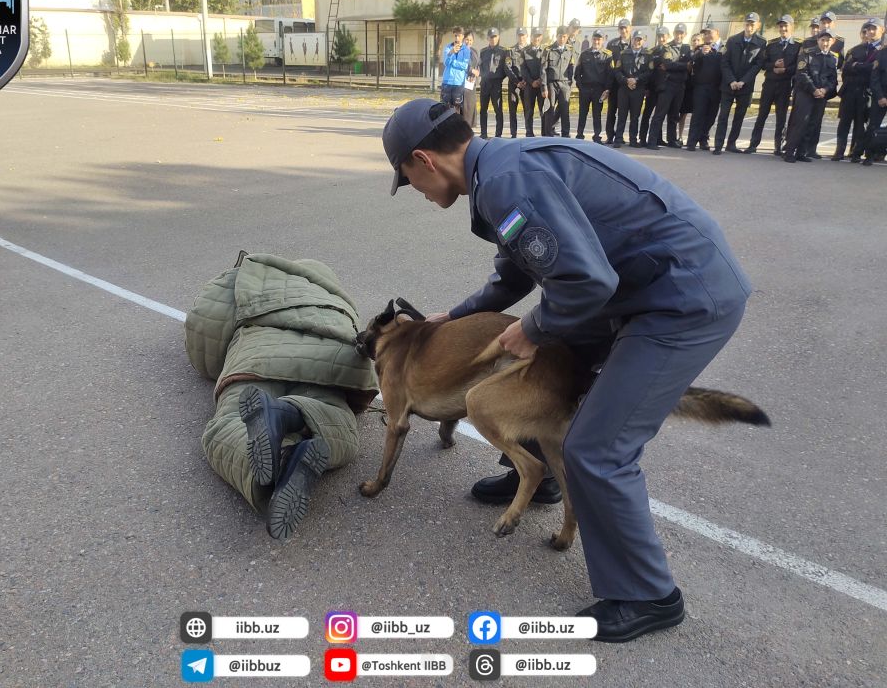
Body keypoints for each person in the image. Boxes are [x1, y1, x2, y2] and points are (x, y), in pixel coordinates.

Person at [380, 97, 752, 643]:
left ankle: (649, 595)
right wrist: (453, 317)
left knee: (598, 446)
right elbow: (514, 275)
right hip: (643, 288)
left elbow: (587, 281)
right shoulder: (496, 173)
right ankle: (541, 477)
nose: (411, 188)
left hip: (682, 299)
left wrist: (532, 328)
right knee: (551, 369)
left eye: (406, 178)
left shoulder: (506, 181)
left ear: (423, 159)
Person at [186, 253, 378, 540]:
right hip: (325, 359)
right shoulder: (333, 294)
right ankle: (289, 418)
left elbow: (205, 336)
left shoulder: (240, 282)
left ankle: (275, 465)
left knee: (226, 424)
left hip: (256, 355)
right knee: (340, 424)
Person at [745, 15, 801, 156]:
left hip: (784, 85)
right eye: (781, 26)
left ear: (792, 27)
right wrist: (773, 66)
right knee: (762, 115)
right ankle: (753, 144)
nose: (783, 29)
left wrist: (785, 70)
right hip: (769, 83)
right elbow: (763, 63)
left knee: (781, 117)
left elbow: (799, 66)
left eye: (785, 26)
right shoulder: (771, 45)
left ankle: (778, 146)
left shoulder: (798, 46)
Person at [713, 12, 766, 154]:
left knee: (739, 117)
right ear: (744, 24)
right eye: (747, 24)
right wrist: (731, 80)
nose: (749, 27)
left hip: (745, 86)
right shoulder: (732, 40)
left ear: (758, 25)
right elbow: (725, 62)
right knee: (723, 116)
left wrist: (743, 81)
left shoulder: (761, 43)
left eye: (752, 24)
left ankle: (731, 144)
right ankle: (718, 145)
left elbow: (757, 65)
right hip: (728, 85)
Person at [783, 29, 839, 163]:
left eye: (828, 40)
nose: (825, 43)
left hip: (821, 96)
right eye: (823, 40)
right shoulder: (807, 53)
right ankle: (789, 152)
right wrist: (813, 90)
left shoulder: (833, 58)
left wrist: (825, 90)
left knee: (812, 124)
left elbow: (833, 79)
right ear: (818, 40)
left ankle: (801, 152)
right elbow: (801, 74)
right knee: (800, 123)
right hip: (805, 94)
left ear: (833, 42)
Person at [800, 12, 847, 159]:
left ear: (834, 24)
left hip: (824, 87)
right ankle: (798, 148)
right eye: (823, 22)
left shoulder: (839, 42)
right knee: (803, 120)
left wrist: (825, 89)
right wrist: (813, 88)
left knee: (817, 120)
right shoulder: (808, 42)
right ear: (819, 24)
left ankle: (812, 149)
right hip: (808, 88)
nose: (826, 25)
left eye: (829, 22)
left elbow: (839, 63)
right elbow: (801, 67)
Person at [832, 20, 880, 161]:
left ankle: (856, 152)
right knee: (844, 123)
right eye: (865, 31)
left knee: (860, 124)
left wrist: (856, 66)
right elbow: (846, 69)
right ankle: (839, 151)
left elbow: (874, 70)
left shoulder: (880, 51)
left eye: (871, 30)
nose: (867, 33)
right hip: (850, 91)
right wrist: (863, 66)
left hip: (865, 92)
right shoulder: (854, 50)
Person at [647, 28, 692, 149]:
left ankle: (672, 140)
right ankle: (652, 141)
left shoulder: (687, 48)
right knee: (660, 114)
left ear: (685, 34)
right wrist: (684, 65)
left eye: (681, 33)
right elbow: (667, 64)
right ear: (674, 34)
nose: (679, 35)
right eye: (677, 33)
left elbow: (690, 64)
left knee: (674, 115)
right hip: (668, 85)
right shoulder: (667, 47)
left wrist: (677, 66)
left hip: (680, 85)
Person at [612, 28, 652, 147]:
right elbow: (617, 71)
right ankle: (618, 139)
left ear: (643, 41)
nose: (637, 42)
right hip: (624, 89)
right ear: (632, 40)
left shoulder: (647, 55)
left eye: (640, 40)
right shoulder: (623, 54)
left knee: (635, 116)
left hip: (638, 89)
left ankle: (633, 140)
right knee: (622, 115)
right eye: (635, 39)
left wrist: (636, 80)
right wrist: (626, 80)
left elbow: (649, 72)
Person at [574, 29, 613, 142]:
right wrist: (581, 87)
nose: (596, 42)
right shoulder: (584, 54)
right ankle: (579, 135)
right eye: (595, 39)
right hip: (585, 89)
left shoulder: (607, 55)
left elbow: (610, 74)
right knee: (582, 113)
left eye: (599, 39)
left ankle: (597, 137)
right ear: (592, 39)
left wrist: (607, 89)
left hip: (599, 90)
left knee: (597, 114)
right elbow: (577, 73)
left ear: (603, 40)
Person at [686, 36, 723, 151]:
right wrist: (701, 53)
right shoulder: (700, 49)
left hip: (716, 88)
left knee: (711, 116)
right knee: (698, 115)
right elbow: (692, 59)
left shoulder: (723, 48)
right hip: (701, 87)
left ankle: (703, 139)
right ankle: (691, 141)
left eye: (711, 34)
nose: (709, 36)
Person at [858, 20, 887, 166]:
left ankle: (882, 153)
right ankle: (869, 155)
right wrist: (880, 96)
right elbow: (874, 78)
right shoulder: (881, 53)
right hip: (880, 97)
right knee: (873, 126)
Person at [541, 25, 575, 137]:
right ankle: (548, 134)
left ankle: (565, 134)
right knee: (550, 109)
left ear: (567, 37)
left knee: (565, 109)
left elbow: (571, 67)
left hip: (565, 83)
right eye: (560, 36)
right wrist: (544, 87)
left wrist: (569, 83)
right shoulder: (548, 50)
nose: (562, 39)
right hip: (552, 83)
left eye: (564, 36)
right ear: (556, 36)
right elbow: (543, 69)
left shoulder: (570, 50)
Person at [639, 26, 671, 147]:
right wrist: (646, 88)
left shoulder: (670, 51)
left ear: (668, 36)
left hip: (664, 87)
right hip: (652, 88)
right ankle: (643, 138)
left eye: (663, 36)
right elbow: (648, 70)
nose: (661, 38)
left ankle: (658, 138)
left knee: (659, 115)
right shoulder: (651, 52)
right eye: (659, 36)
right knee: (647, 114)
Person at [605, 19, 633, 143]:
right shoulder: (612, 44)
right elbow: (608, 65)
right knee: (611, 111)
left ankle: (620, 136)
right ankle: (610, 136)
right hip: (614, 83)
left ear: (630, 28)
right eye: (621, 28)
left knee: (624, 113)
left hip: (628, 84)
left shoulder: (635, 42)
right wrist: (607, 86)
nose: (623, 30)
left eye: (625, 28)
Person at [478, 28, 508, 138]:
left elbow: (506, 69)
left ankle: (498, 134)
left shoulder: (503, 51)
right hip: (485, 83)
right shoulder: (483, 51)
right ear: (487, 38)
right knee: (483, 110)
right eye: (491, 37)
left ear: (498, 37)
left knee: (498, 110)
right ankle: (483, 133)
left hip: (496, 84)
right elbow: (480, 66)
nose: (493, 39)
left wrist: (499, 78)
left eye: (495, 37)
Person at [677, 31, 703, 147]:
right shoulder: (687, 54)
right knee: (683, 114)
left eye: (698, 40)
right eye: (694, 40)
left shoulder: (705, 54)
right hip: (687, 87)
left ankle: (694, 138)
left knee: (697, 115)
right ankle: (680, 136)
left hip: (699, 87)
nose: (696, 42)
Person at [520, 28, 546, 137]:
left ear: (541, 37)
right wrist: (531, 82)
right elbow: (523, 69)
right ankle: (529, 133)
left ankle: (544, 133)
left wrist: (540, 80)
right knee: (529, 111)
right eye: (535, 36)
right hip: (530, 86)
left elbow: (546, 67)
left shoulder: (545, 51)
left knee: (543, 110)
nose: (537, 38)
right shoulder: (524, 51)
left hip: (542, 85)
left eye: (539, 36)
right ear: (531, 37)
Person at [441, 26, 472, 113]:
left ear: (463, 36)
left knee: (456, 109)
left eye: (459, 36)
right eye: (455, 36)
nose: (457, 38)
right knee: (444, 108)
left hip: (459, 83)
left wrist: (453, 62)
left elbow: (464, 66)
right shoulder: (448, 48)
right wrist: (451, 53)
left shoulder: (466, 50)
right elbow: (446, 63)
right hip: (447, 82)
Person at [506, 27, 529, 138]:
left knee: (527, 109)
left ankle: (528, 132)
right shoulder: (510, 51)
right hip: (514, 84)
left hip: (527, 83)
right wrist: (517, 82)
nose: (521, 38)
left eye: (523, 35)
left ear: (527, 36)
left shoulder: (530, 50)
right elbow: (507, 67)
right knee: (512, 109)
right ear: (517, 36)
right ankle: (513, 134)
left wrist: (526, 80)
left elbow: (533, 67)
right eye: (519, 35)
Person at [462, 31, 482, 129]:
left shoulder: (474, 51)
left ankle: (469, 128)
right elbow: (461, 64)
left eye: (470, 40)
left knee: (471, 105)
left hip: (472, 82)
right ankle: (463, 128)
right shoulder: (460, 51)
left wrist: (477, 72)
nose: (468, 42)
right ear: (463, 40)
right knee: (464, 106)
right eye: (467, 39)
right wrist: (471, 70)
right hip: (462, 82)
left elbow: (478, 64)